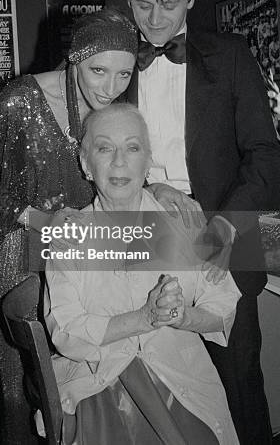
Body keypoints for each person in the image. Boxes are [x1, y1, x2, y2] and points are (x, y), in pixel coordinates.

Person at [117, 0, 280, 444]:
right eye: (142, 4)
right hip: (145, 234)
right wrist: (154, 187)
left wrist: (225, 228)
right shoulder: (118, 64)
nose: (155, 19)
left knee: (239, 385)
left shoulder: (230, 55)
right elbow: (101, 152)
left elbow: (266, 153)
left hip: (228, 234)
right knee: (166, 389)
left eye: (168, 3)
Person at [0, 8, 140, 444]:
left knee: (94, 382)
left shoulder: (114, 109)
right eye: (99, 70)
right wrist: (37, 218)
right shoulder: (21, 99)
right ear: (75, 57)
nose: (111, 87)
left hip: (87, 250)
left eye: (124, 75)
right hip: (25, 254)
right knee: (21, 396)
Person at [44, 104, 241, 445]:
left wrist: (184, 317)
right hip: (101, 382)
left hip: (183, 379)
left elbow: (223, 304)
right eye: (104, 148)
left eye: (132, 148)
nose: (119, 161)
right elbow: (65, 329)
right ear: (86, 164)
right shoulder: (69, 235)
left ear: (148, 161)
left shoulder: (184, 220)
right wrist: (143, 318)